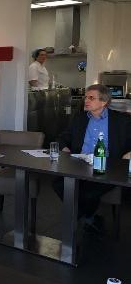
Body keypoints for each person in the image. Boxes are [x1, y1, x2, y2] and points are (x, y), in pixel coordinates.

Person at [52, 84, 131, 232]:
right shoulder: (80, 118)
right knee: (58, 184)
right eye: (85, 97)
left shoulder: (120, 120)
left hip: (107, 167)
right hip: (78, 163)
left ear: (104, 102)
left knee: (88, 192)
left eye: (91, 98)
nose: (86, 100)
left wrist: (128, 154)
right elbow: (62, 137)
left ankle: (81, 216)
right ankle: (86, 216)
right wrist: (65, 148)